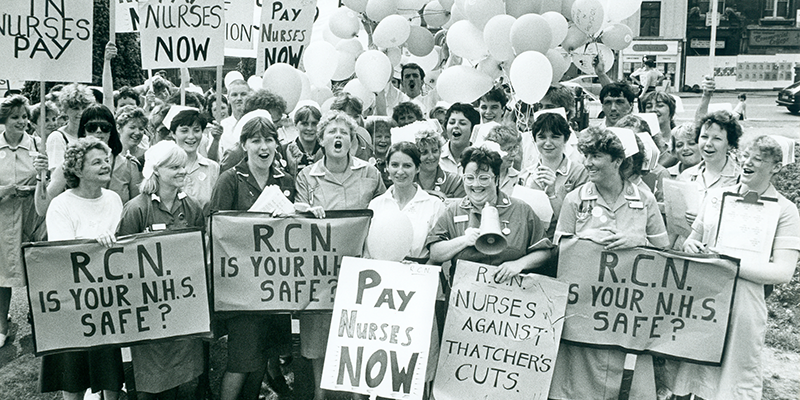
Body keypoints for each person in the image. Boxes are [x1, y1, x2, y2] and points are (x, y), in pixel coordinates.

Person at [666, 136, 800, 400]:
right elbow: (693, 239)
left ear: (776, 167)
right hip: (704, 298)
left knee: (734, 380)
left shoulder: (785, 211)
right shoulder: (717, 198)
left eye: (758, 159)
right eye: (745, 156)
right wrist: (691, 246)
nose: (748, 163)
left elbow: (783, 272)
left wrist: (727, 262)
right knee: (691, 373)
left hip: (744, 303)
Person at [549, 127, 669, 400]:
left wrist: (638, 241)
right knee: (578, 387)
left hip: (629, 311)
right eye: (586, 155)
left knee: (629, 386)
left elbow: (664, 251)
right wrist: (582, 240)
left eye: (596, 156)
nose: (588, 163)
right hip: (586, 311)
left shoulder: (644, 198)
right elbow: (558, 251)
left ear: (617, 161)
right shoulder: (575, 199)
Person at [294, 111, 385, 400]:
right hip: (321, 274)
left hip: (362, 272)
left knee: (357, 339)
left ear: (352, 140)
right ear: (321, 140)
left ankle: (358, 396)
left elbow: (385, 211)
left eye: (344, 132)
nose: (338, 137)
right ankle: (321, 396)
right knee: (319, 344)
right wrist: (305, 212)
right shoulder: (306, 177)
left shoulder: (371, 174)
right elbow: (296, 218)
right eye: (331, 132)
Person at [209, 114, 295, 400]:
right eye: (256, 140)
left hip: (274, 286)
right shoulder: (230, 180)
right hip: (241, 287)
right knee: (242, 362)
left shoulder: (286, 180)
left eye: (269, 140)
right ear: (243, 144)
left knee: (261, 359)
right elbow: (215, 229)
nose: (263, 147)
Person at [117, 141, 205, 400]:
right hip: (147, 309)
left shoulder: (192, 207)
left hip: (180, 305)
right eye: (174, 166)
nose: (182, 171)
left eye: (183, 166)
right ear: (155, 170)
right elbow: (121, 259)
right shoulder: (136, 208)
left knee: (176, 380)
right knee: (148, 383)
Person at [41, 137, 125, 400]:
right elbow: (61, 252)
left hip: (108, 297)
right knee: (73, 373)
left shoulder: (114, 199)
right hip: (73, 300)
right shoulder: (61, 205)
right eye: (96, 162)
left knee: (110, 367)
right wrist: (93, 243)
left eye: (106, 160)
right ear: (77, 169)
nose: (105, 166)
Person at [427, 145, 552, 283]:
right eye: (469, 178)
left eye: (484, 178)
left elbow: (544, 252)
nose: (476, 184)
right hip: (465, 295)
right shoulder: (453, 210)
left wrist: (519, 264)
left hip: (510, 296)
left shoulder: (521, 209)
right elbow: (435, 253)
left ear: (497, 179)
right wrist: (464, 241)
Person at [0, 95, 46, 347]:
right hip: (2, 219)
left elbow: (47, 183)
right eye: (15, 117)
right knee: (1, 272)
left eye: (24, 117)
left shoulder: (38, 146)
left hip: (31, 217)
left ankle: (38, 317)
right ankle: (1, 324)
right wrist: (7, 190)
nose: (21, 122)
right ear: (4, 120)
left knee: (35, 269)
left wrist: (40, 179)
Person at [369, 141, 445, 261]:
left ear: (418, 168)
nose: (400, 171)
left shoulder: (434, 205)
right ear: (387, 167)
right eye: (394, 165)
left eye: (407, 166)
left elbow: (436, 255)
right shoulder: (376, 204)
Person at [524, 113, 588, 239]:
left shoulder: (580, 173)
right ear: (534, 140)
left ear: (566, 139)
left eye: (555, 137)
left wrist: (552, 195)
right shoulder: (526, 174)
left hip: (562, 245)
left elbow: (577, 222)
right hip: (531, 242)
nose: (548, 143)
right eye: (541, 137)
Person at [678, 111, 743, 202]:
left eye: (717, 138)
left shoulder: (740, 180)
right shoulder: (685, 176)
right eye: (704, 137)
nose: (708, 143)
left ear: (730, 144)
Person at [168, 108, 219, 210]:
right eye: (184, 131)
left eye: (196, 130)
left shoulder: (212, 167)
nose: (191, 136)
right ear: (173, 134)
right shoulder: (164, 166)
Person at [46, 83, 95, 171]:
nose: (80, 112)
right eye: (75, 108)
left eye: (84, 108)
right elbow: (57, 173)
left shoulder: (94, 134)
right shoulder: (58, 137)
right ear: (65, 110)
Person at [414, 129, 465, 199]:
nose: (431, 157)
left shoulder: (454, 181)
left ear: (440, 152)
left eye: (435, 151)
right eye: (424, 152)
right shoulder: (407, 180)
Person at [440, 103, 480, 175]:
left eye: (462, 123)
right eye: (452, 122)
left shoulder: (480, 157)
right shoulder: (437, 156)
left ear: (473, 128)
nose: (456, 126)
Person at [284, 104, 323, 178]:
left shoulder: (326, 150)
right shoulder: (284, 151)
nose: (309, 128)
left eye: (314, 124)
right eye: (305, 124)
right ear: (295, 125)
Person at [483, 125, 523, 196]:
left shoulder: (519, 179)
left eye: (515, 148)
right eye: (508, 149)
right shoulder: (480, 177)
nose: (514, 154)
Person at [217, 79, 252, 157]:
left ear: (250, 96)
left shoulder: (257, 122)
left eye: (243, 94)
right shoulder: (222, 126)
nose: (239, 98)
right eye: (234, 95)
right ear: (228, 98)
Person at [365, 116, 394, 188]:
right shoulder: (365, 160)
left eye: (387, 137)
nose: (383, 140)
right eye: (379, 136)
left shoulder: (394, 160)